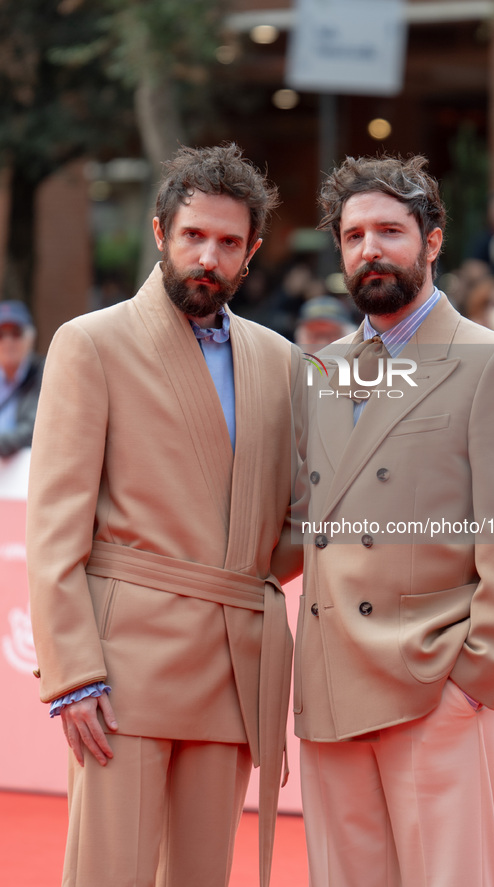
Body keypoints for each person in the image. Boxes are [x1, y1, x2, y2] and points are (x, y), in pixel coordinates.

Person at [27, 143, 303, 887]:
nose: (206, 257)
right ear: (160, 233)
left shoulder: (280, 361)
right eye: (192, 236)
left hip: (233, 664)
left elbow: (292, 523)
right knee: (108, 873)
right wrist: (72, 673)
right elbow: (53, 529)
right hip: (122, 670)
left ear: (249, 254)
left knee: (201, 875)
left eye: (226, 242)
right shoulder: (91, 343)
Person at [294, 154, 494, 887]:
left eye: (389, 230)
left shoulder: (490, 362)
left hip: (432, 686)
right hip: (330, 688)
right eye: (352, 236)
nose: (368, 249)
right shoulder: (325, 368)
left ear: (431, 241)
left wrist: (474, 678)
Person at [0, 300, 44, 457]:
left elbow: (35, 429)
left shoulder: (45, 374)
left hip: (25, 474)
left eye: (16, 333)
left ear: (30, 337)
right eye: (1, 335)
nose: (8, 342)